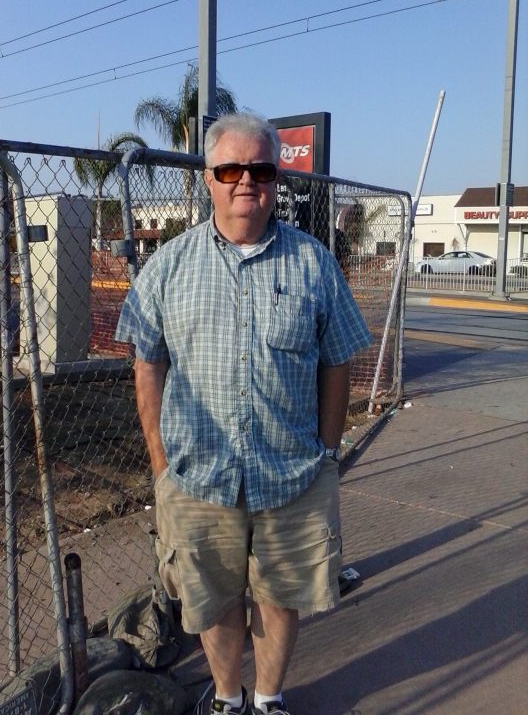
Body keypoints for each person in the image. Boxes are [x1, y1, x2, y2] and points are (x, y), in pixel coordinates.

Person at [115, 113, 371, 715]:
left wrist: (328, 454)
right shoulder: (168, 268)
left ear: (275, 178)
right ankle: (228, 699)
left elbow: (338, 362)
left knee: (281, 598)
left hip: (293, 478)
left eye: (260, 168)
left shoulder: (314, 265)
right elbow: (146, 364)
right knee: (215, 601)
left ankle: (268, 698)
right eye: (231, 169)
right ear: (209, 179)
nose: (246, 181)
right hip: (198, 480)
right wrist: (159, 463)